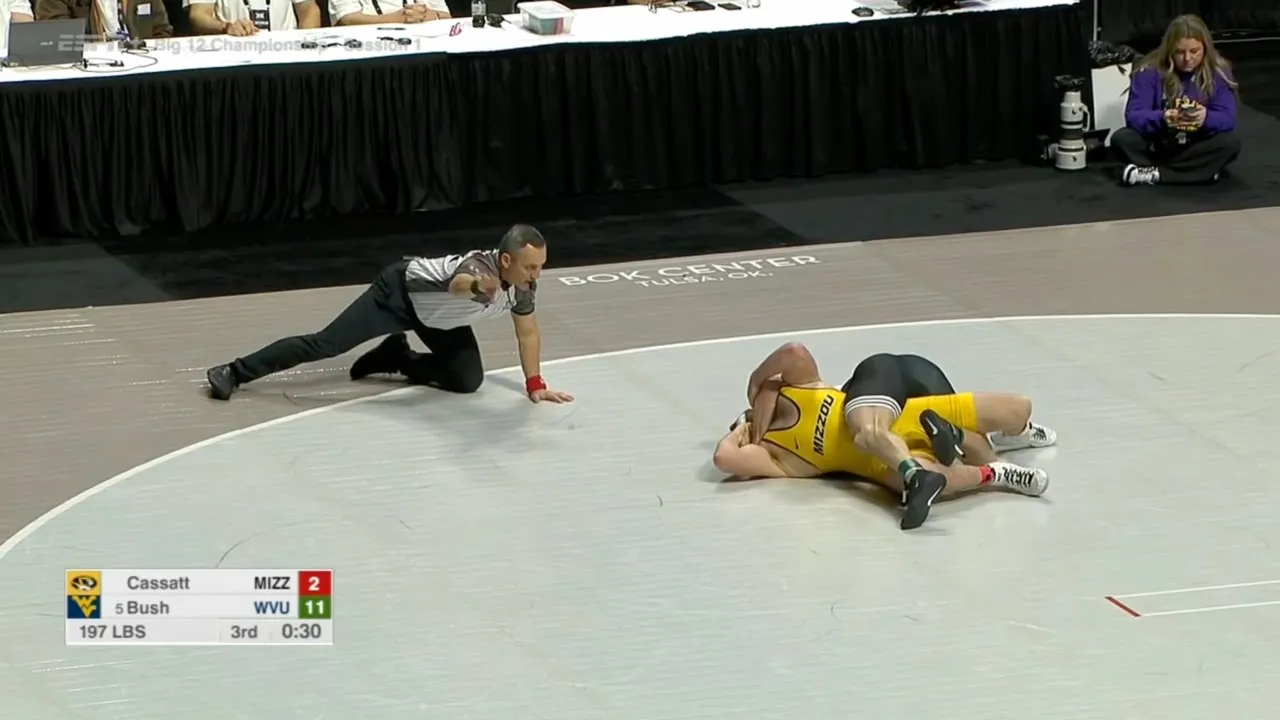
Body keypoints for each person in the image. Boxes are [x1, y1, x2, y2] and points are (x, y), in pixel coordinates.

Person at [205, 224, 573, 405]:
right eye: (531, 267)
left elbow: (528, 333)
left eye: (540, 266)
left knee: (467, 379)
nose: (536, 275)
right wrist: (479, 286)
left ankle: (397, 357)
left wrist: (535, 385)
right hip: (397, 295)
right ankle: (233, 371)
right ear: (506, 260)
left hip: (439, 320)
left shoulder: (524, 287)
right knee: (326, 343)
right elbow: (458, 285)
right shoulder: (479, 267)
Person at [727, 344, 1055, 529]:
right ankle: (994, 470)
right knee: (943, 470)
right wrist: (744, 432)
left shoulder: (798, 389)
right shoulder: (778, 455)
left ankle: (1010, 435)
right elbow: (725, 457)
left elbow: (792, 354)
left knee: (1019, 409)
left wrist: (757, 380)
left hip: (895, 403)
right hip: (887, 459)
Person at [1112, 14, 1241, 187]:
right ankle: (1200, 171)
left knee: (1230, 143)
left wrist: (1205, 118)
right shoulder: (1148, 70)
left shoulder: (1218, 71)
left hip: (1197, 143)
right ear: (1169, 50)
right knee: (1122, 139)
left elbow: (1228, 119)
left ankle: (1154, 173)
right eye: (1179, 52)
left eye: (1194, 51)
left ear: (1205, 48)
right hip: (1160, 142)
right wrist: (1163, 118)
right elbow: (1134, 116)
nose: (1187, 59)